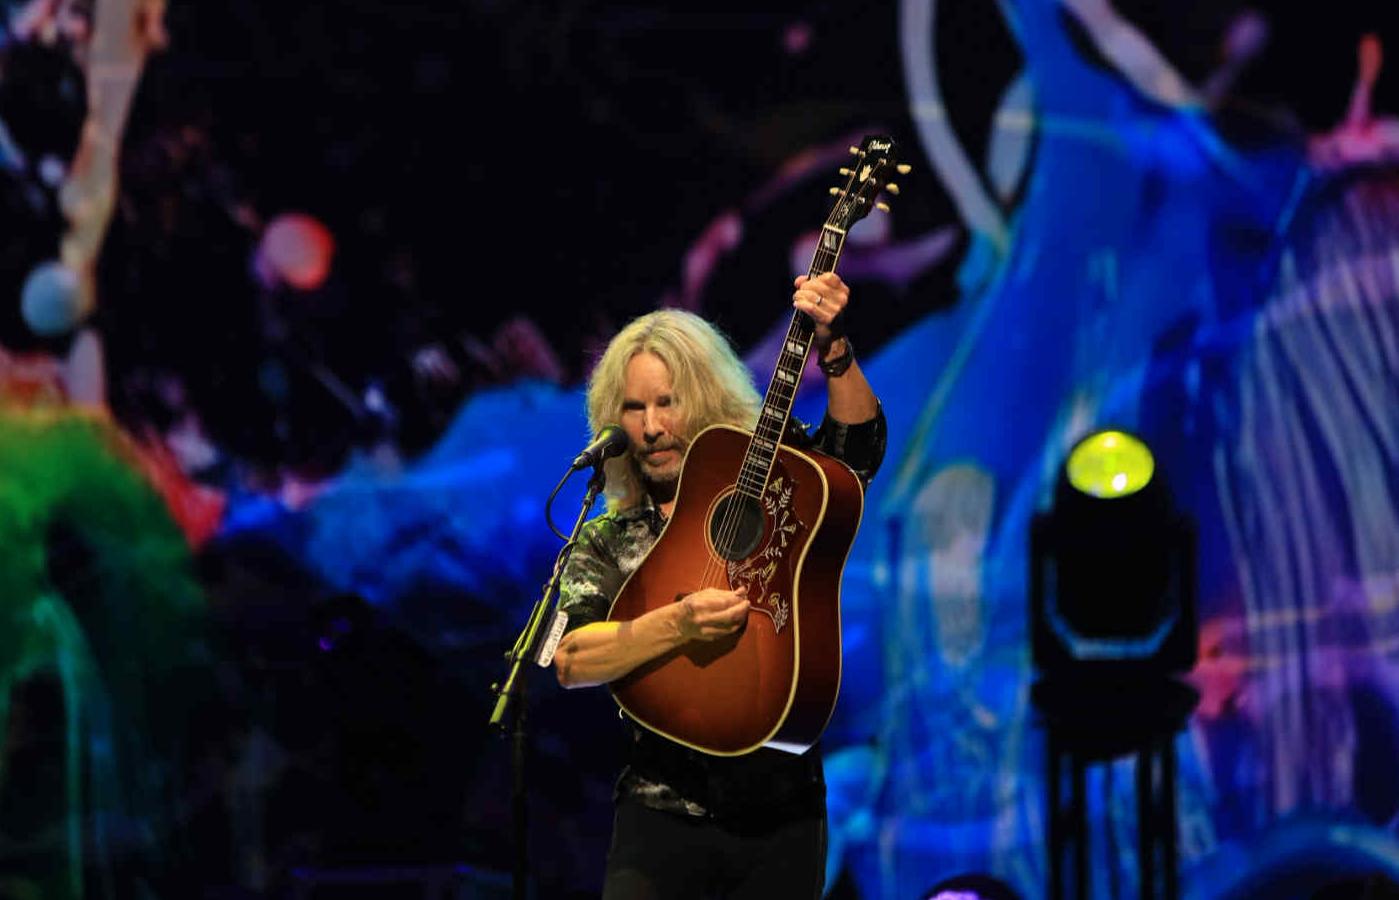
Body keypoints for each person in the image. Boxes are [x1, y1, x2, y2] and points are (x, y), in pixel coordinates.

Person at [553, 271, 887, 899]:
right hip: (658, 811)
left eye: (668, 402)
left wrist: (835, 349)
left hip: (783, 813)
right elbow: (570, 658)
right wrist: (676, 624)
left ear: (706, 400)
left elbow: (853, 458)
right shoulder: (607, 539)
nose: (651, 427)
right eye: (634, 408)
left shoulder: (773, 481)